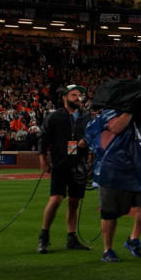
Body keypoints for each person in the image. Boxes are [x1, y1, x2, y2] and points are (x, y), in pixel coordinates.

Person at [84, 80, 141, 263]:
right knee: (109, 212)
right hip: (112, 170)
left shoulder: (140, 115)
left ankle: (133, 239)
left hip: (136, 171)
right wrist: (129, 110)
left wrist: (138, 113)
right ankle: (107, 250)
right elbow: (117, 127)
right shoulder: (110, 114)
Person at [37, 84, 92, 254]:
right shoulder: (54, 117)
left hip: (79, 164)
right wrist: (43, 161)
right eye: (74, 95)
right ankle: (44, 236)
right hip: (60, 163)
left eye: (79, 95)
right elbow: (43, 140)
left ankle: (71, 237)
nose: (78, 98)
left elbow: (93, 136)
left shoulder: (86, 117)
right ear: (65, 97)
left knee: (74, 201)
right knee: (55, 200)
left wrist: (85, 142)